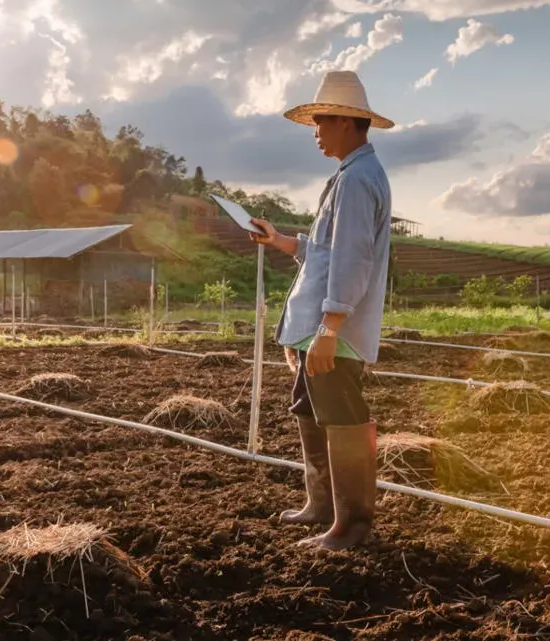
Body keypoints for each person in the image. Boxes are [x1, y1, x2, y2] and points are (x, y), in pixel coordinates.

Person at [249, 70, 393, 550]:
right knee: (311, 410)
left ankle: (352, 528)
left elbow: (354, 260)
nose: (315, 131)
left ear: (348, 123)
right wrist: (281, 241)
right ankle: (322, 506)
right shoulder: (349, 176)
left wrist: (330, 328)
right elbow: (327, 253)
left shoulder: (357, 181)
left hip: (338, 329)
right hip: (322, 327)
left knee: (343, 418)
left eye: (320, 121)